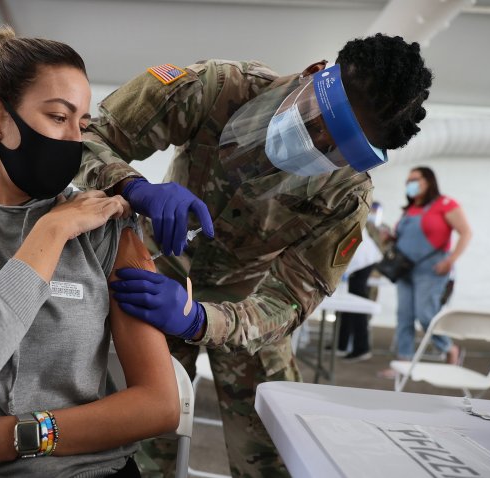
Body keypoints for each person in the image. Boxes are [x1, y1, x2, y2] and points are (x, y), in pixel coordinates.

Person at [76, 34, 433, 477]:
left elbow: (288, 300)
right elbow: (86, 137)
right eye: (320, 119)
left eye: (339, 148)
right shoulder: (218, 88)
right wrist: (132, 186)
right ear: (312, 75)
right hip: (156, 282)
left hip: (246, 306)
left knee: (279, 448)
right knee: (143, 445)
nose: (317, 142)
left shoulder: (346, 194)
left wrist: (201, 320)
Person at [0, 28, 179, 478]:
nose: (73, 140)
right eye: (58, 117)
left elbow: (159, 405)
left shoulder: (106, 227)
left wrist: (13, 437)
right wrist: (54, 227)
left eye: (81, 124)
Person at [390, 167, 471, 366]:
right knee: (404, 317)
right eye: (408, 180)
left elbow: (466, 233)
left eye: (415, 179)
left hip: (432, 271)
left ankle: (450, 348)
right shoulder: (409, 209)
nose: (410, 184)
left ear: (429, 181)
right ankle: (404, 363)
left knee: (425, 315)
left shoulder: (445, 204)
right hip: (404, 270)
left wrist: (450, 261)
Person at [336, 203, 384, 362]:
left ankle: (361, 347)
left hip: (363, 262)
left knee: (357, 303)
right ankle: (341, 344)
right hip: (359, 260)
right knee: (347, 302)